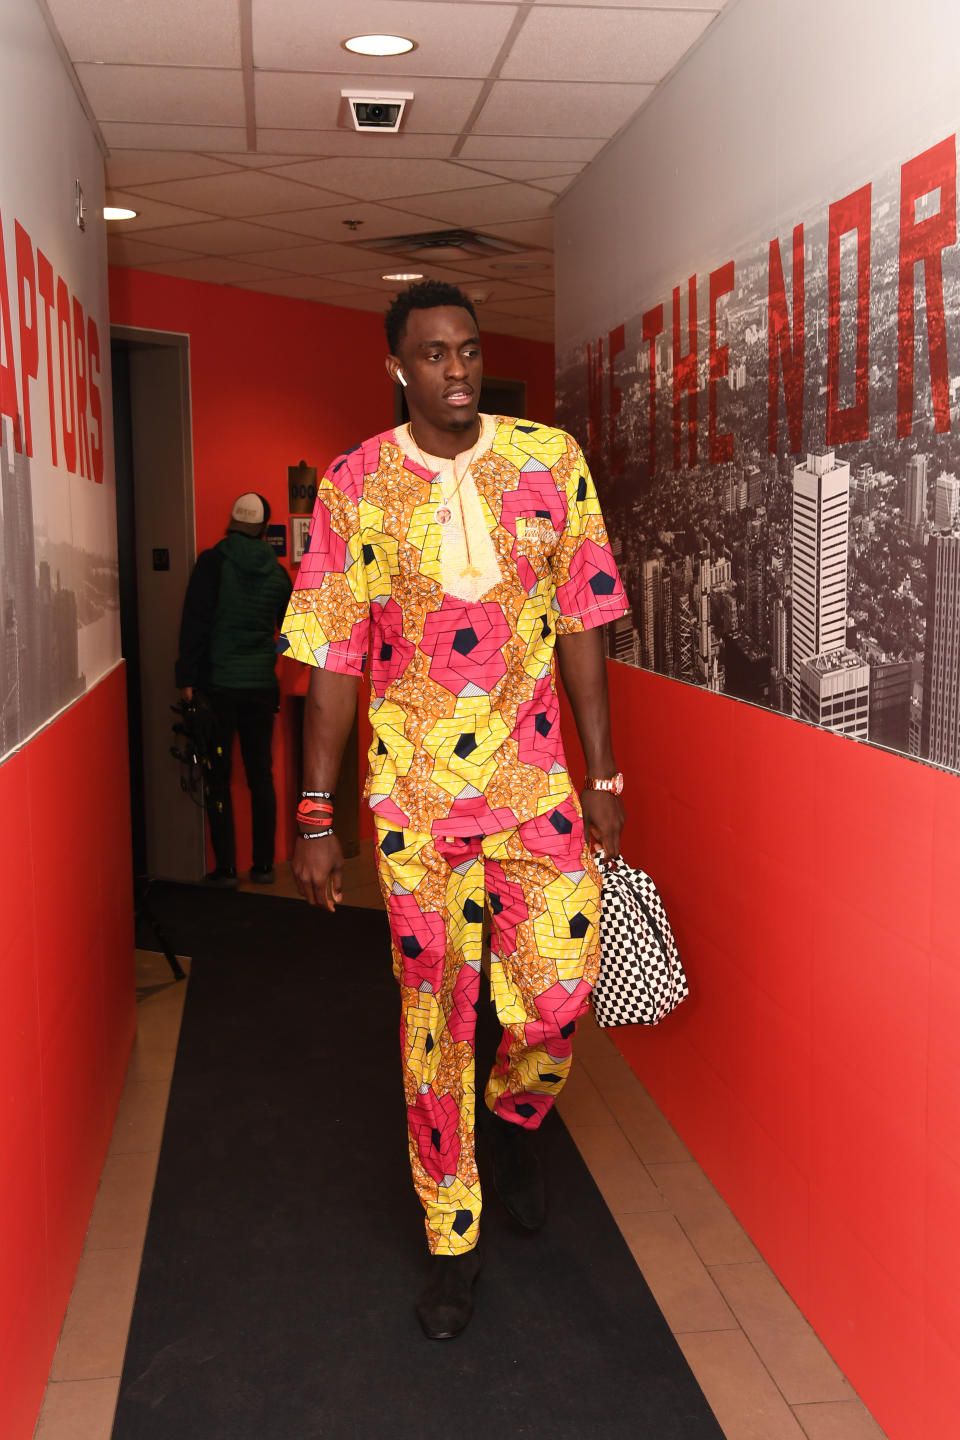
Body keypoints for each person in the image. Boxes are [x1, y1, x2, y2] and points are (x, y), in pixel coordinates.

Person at [278, 280, 628, 1339]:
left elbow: (582, 623)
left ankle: (514, 1112)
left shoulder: (549, 462)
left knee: (561, 998)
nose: (458, 369)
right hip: (414, 800)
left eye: (468, 350)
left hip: (533, 787)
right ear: (399, 368)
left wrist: (603, 774)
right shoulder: (356, 486)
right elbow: (332, 660)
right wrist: (315, 814)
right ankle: (452, 1239)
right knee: (436, 1017)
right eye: (433, 354)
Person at [176, 492, 293, 887]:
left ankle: (226, 869)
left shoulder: (213, 563)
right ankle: (263, 866)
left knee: (218, 776)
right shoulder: (279, 575)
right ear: (263, 528)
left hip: (218, 688)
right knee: (261, 775)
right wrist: (263, 653)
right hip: (260, 688)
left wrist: (187, 680)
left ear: (231, 521)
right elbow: (290, 633)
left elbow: (194, 624)